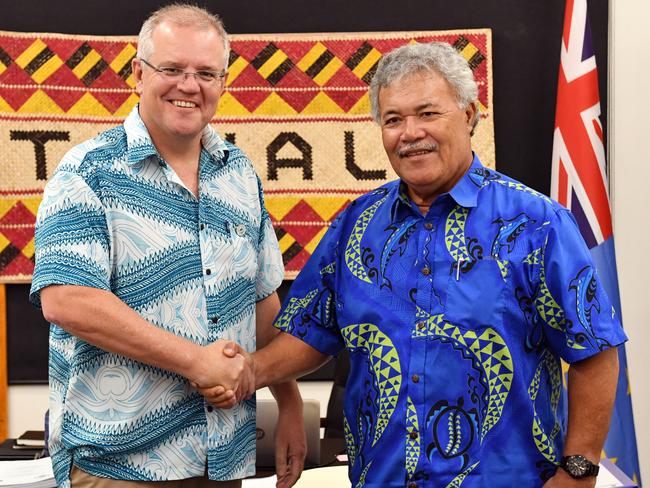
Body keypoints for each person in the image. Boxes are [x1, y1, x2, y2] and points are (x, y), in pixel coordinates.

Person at [205, 41, 627, 487]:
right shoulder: (354, 225)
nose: (409, 133)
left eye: (428, 113)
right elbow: (313, 332)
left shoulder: (538, 224)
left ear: (469, 114)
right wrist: (251, 372)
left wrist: (578, 474)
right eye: (393, 119)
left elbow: (596, 352)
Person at [29, 4, 305, 488]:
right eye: (172, 69)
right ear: (138, 73)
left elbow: (262, 298)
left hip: (222, 461)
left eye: (205, 73)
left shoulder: (240, 175)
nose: (188, 85)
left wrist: (289, 402)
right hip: (121, 466)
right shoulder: (87, 171)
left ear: (223, 82)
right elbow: (67, 301)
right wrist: (194, 361)